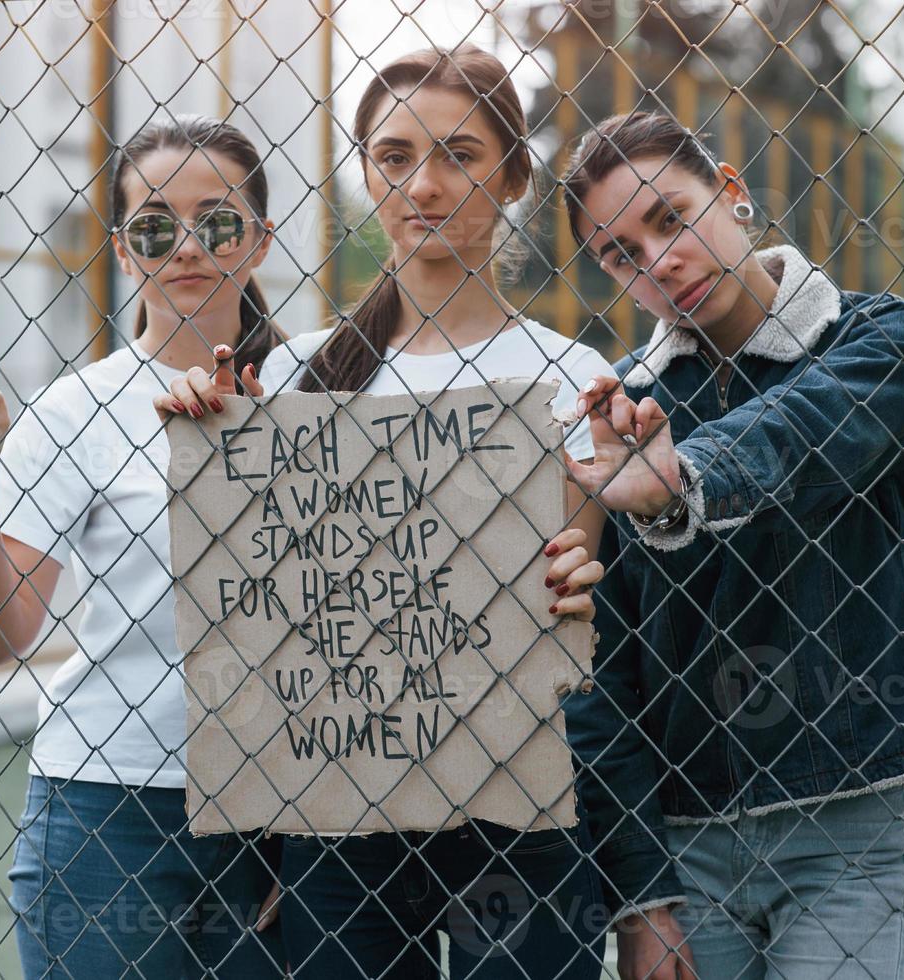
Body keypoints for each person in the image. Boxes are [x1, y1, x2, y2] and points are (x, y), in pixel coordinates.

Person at [155, 45, 612, 979]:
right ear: (365, 172)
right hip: (339, 810)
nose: (426, 185)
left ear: (515, 175)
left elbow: (574, 605)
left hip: (512, 805)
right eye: (394, 157)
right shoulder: (294, 374)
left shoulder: (576, 377)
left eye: (460, 154)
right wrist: (209, 443)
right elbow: (264, 603)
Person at [560, 109, 904, 979]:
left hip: (847, 819)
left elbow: (809, 434)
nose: (659, 262)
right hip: (684, 840)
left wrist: (682, 485)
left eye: (671, 217)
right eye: (622, 254)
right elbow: (597, 669)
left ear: (733, 195)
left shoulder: (886, 341)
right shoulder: (623, 418)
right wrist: (640, 893)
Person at [0, 115, 287, 978]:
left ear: (262, 240)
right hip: (110, 802)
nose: (189, 245)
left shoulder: (322, 390)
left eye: (219, 221)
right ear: (126, 252)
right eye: (157, 226)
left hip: (296, 799)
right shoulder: (74, 410)